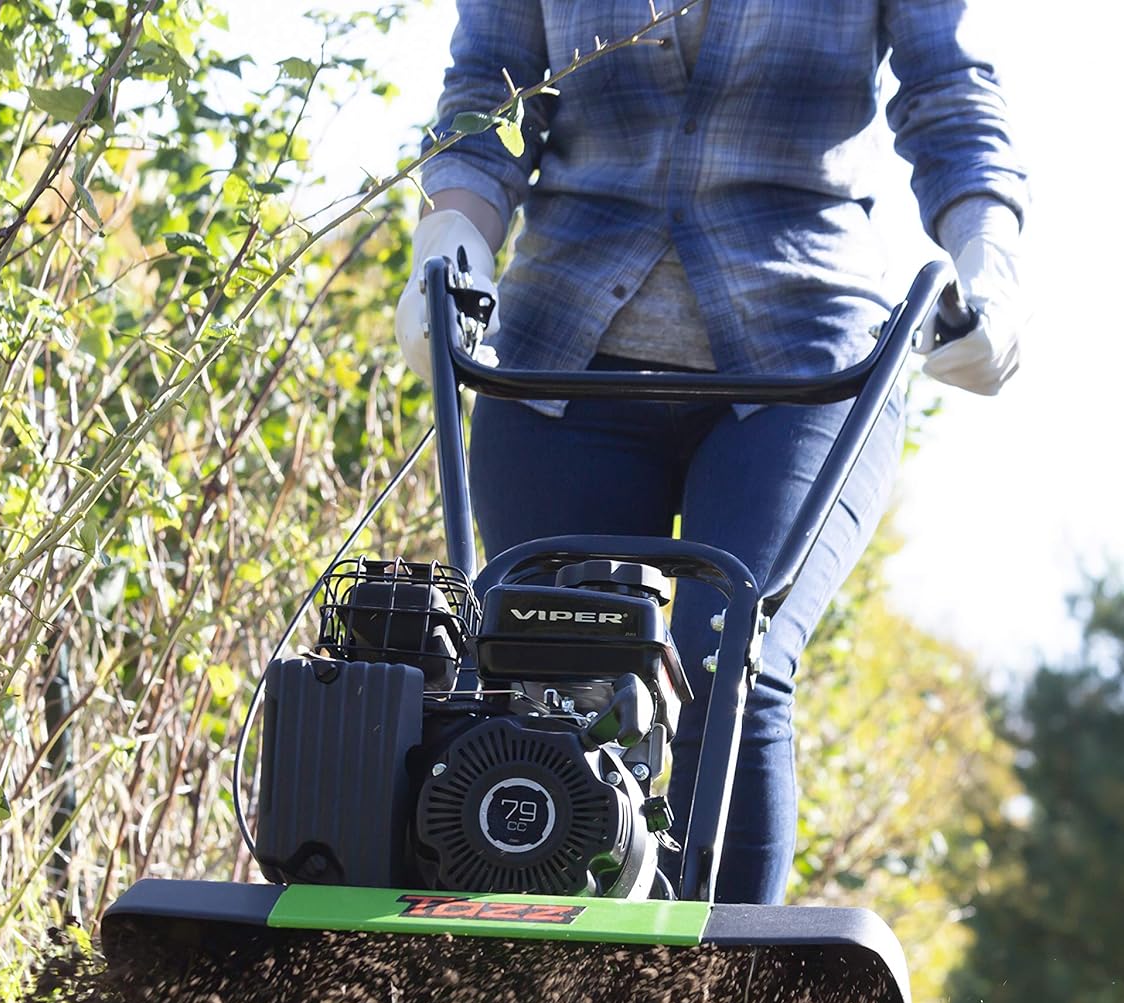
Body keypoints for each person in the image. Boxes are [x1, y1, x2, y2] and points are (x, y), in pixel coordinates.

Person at [394, 0, 1026, 904]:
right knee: (538, 671)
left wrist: (987, 257)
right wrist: (452, 234)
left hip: (805, 365)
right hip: (561, 355)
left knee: (731, 658)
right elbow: (487, 89)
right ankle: (527, 982)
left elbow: (949, 96)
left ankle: (717, 989)